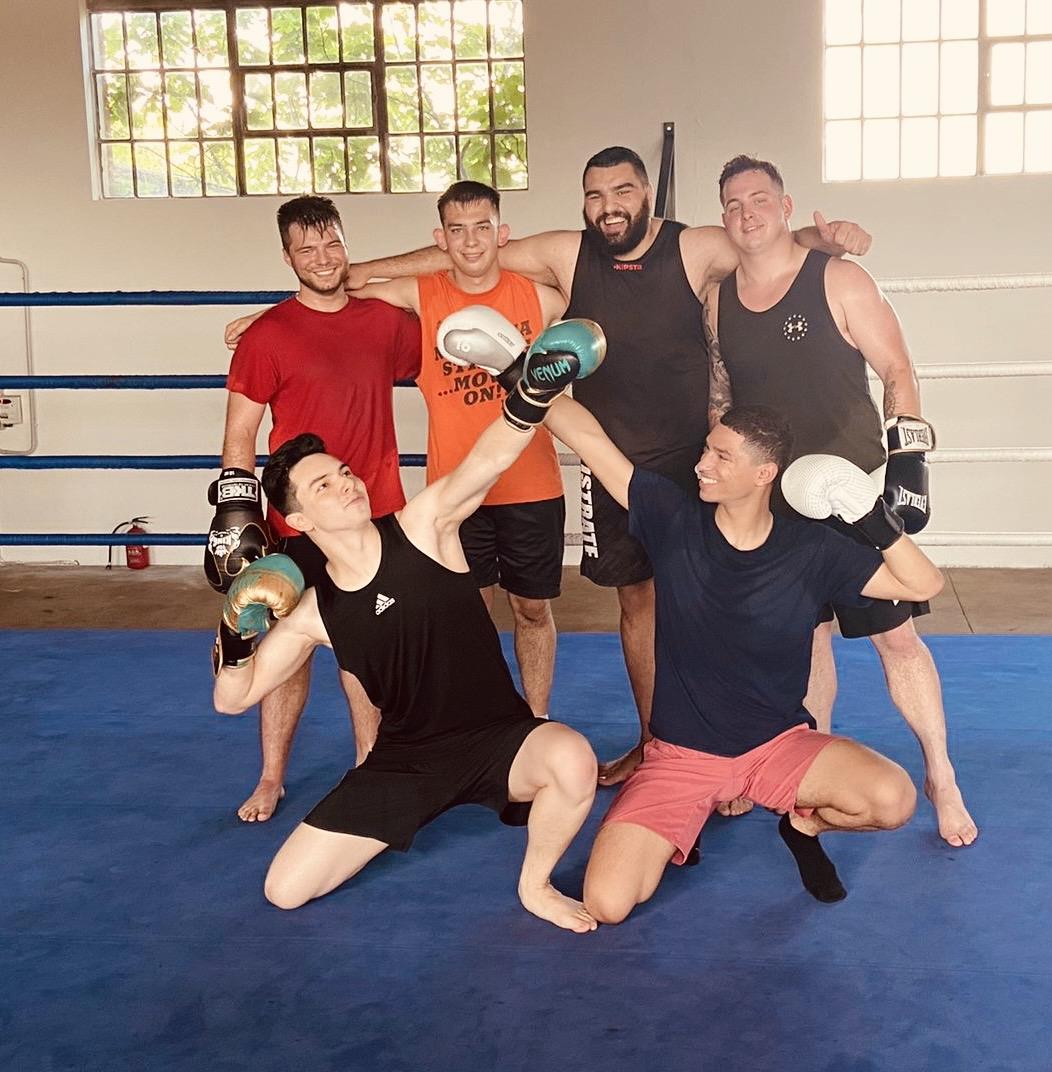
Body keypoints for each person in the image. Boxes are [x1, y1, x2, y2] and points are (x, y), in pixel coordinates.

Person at [343, 146, 872, 786]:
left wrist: (828, 237)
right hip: (611, 461)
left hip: (696, 462)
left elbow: (766, 243)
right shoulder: (569, 252)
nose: (608, 206)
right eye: (595, 195)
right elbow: (469, 252)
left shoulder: (693, 246)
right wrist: (362, 269)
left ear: (645, 192)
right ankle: (655, 747)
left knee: (724, 600)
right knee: (637, 603)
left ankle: (741, 747)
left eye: (621, 191)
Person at [211, 316, 606, 932]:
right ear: (298, 519)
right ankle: (403, 815)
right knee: (285, 890)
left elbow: (487, 460)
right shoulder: (318, 610)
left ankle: (535, 884)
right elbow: (232, 698)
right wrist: (236, 632)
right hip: (406, 762)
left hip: (496, 737)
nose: (346, 483)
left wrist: (529, 396)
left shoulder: (424, 527)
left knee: (575, 760)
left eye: (343, 472)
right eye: (323, 485)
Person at [535, 390, 942, 920]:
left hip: (777, 747)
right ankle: (685, 818)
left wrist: (871, 516)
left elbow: (922, 582)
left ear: (764, 473)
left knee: (893, 801)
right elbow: (587, 437)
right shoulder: (671, 517)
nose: (702, 464)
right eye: (707, 449)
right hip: (680, 759)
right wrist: (525, 374)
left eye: (721, 456)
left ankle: (803, 825)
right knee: (607, 904)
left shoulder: (812, 551)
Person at [705, 155, 977, 847]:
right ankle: (809, 774)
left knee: (895, 638)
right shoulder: (718, 301)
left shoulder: (836, 277)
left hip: (850, 491)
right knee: (801, 638)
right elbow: (721, 396)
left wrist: (907, 457)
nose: (746, 214)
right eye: (733, 204)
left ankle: (940, 775)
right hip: (775, 501)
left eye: (758, 199)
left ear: (785, 205)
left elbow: (895, 366)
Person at [226, 181, 567, 719]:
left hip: (457, 495)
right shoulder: (404, 302)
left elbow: (371, 296)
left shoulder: (531, 302)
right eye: (457, 231)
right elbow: (332, 301)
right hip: (368, 506)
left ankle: (523, 721)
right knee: (309, 635)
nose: (471, 242)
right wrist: (270, 321)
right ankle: (277, 774)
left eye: (331, 244)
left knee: (512, 612)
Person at [205, 195, 421, 823]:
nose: (323, 259)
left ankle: (369, 768)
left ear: (346, 246)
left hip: (375, 512)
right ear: (288, 257)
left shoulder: (383, 322)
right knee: (286, 645)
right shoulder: (269, 335)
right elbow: (240, 434)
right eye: (308, 249)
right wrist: (235, 513)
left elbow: (442, 322)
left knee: (368, 650)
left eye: (332, 245)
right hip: (295, 521)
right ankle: (272, 776)